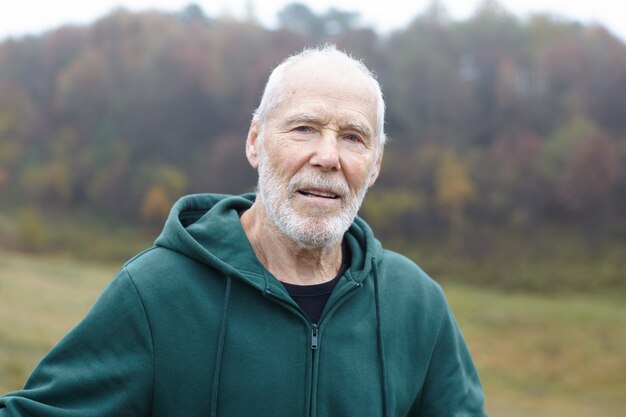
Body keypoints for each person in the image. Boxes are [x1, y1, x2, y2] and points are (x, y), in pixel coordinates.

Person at [0, 44, 487, 416]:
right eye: (303, 129)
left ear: (375, 165)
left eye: (353, 137)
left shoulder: (416, 305)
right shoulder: (155, 294)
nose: (327, 157)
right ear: (255, 142)